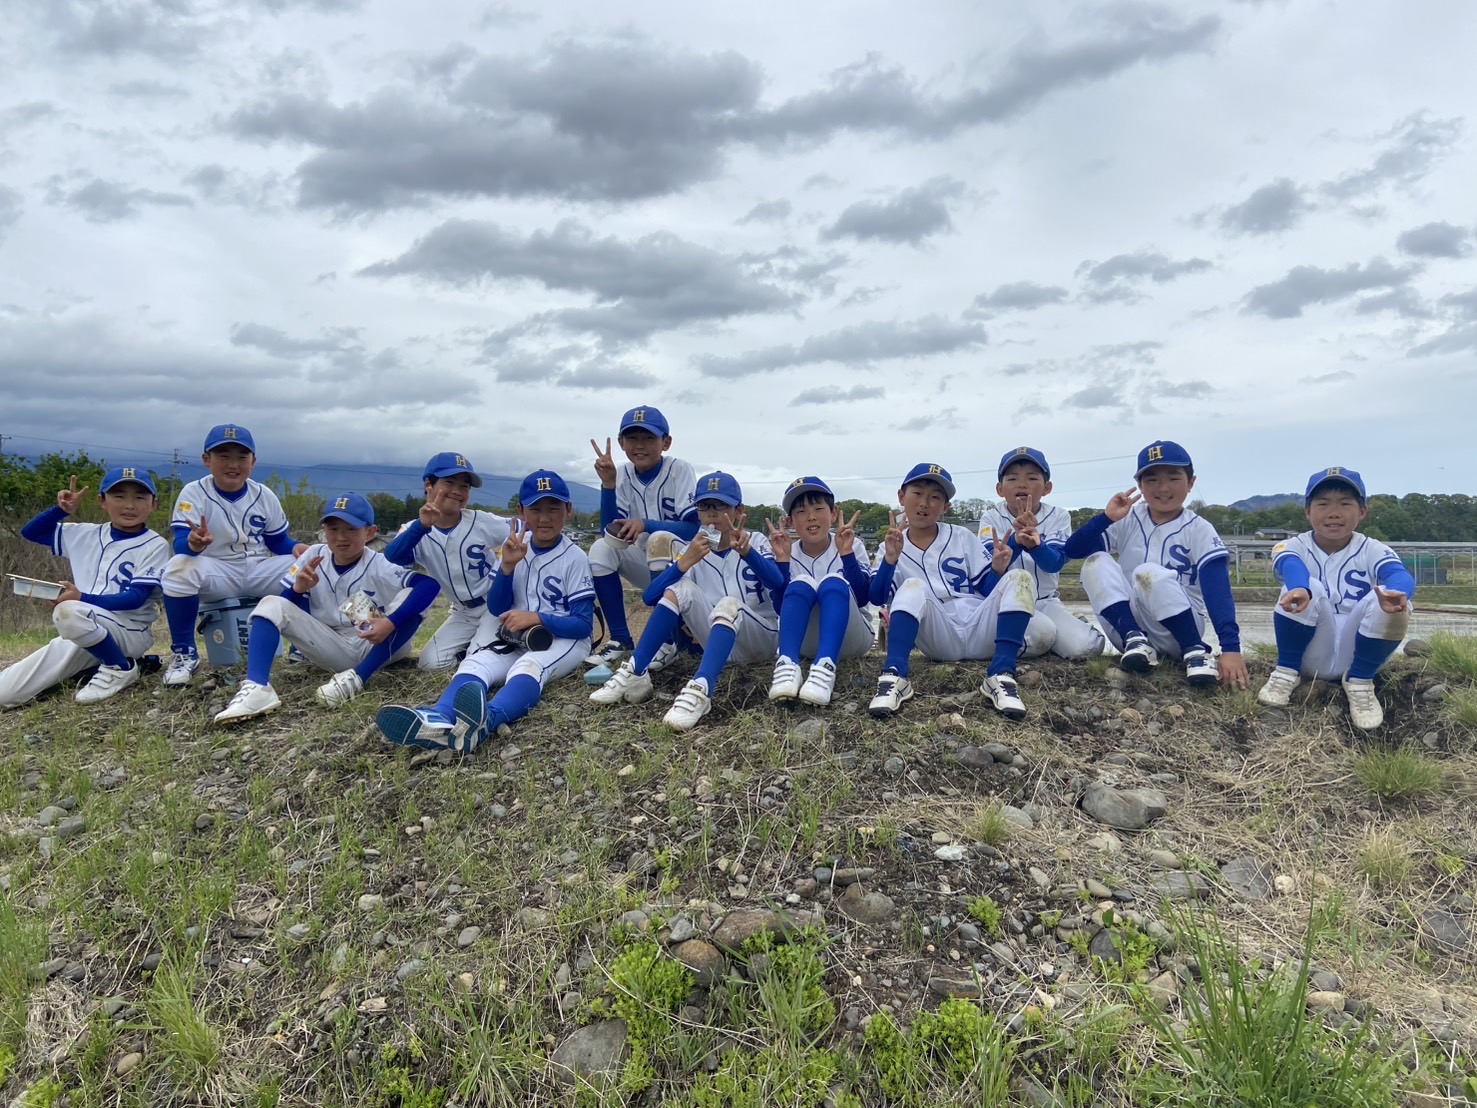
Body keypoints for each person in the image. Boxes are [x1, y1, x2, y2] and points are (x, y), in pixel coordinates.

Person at [376, 471, 594, 752]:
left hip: (565, 639)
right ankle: (438, 718)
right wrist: (507, 567)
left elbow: (583, 625)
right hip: (520, 635)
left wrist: (538, 617)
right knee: (474, 663)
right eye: (535, 509)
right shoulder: (514, 546)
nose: (544, 518)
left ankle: (487, 720)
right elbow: (498, 606)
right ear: (521, 512)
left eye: (554, 509)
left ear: (569, 510)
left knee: (528, 666)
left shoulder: (575, 557)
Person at [213, 493, 439, 723]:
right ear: (324, 530)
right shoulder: (314, 554)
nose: (341, 537)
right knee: (272, 603)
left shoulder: (379, 563)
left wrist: (390, 622)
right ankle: (257, 688)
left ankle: (358, 678)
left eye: (351, 529)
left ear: (370, 532)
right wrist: (298, 590)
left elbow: (429, 586)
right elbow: (285, 608)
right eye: (333, 529)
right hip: (333, 646)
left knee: (409, 596)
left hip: (379, 642)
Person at [591, 471, 784, 731]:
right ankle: (635, 670)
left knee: (729, 603)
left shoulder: (755, 540)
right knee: (679, 588)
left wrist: (748, 553)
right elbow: (650, 597)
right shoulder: (692, 549)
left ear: (739, 511)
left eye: (721, 505)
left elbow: (778, 582)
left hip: (761, 638)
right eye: (705, 506)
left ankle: (701, 688)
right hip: (718, 642)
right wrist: (682, 564)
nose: (712, 514)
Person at [866, 463, 1054, 721]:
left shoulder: (962, 536)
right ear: (901, 496)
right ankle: (894, 675)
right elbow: (876, 597)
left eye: (935, 497)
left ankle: (1002, 674)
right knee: (913, 585)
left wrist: (997, 570)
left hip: (978, 626)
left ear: (946, 507)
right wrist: (889, 560)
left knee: (1020, 577)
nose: (924, 503)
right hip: (938, 636)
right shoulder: (889, 545)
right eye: (917, 493)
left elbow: (986, 589)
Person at [1063, 440, 1248, 689]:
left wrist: (1231, 648)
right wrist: (1105, 519)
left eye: (1173, 477)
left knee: (1146, 573)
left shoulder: (1199, 528)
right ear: (1139, 484)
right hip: (1130, 636)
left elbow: (1218, 590)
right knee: (1095, 562)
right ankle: (1135, 638)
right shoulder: (1128, 518)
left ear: (1191, 482)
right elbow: (1073, 550)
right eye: (1152, 479)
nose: (1163, 487)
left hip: (1181, 630)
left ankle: (1195, 650)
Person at [1256, 467, 1414, 729]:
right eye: (1323, 503)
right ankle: (1287, 671)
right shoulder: (1293, 545)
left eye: (1345, 503)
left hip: (1361, 652)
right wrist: (1300, 588)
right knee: (1306, 588)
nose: (1334, 512)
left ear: (1362, 511)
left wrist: (1398, 592)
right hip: (1311, 653)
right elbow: (1290, 565)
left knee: (1393, 600)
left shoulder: (1373, 548)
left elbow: (1398, 574)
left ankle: (1360, 682)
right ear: (1307, 511)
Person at [1, 469, 170, 708]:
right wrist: (61, 510)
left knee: (69, 611)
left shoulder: (155, 544)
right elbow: (31, 532)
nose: (129, 505)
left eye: (140, 497)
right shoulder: (85, 533)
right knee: (5, 693)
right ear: (102, 501)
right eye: (119, 496)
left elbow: (136, 598)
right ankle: (94, 667)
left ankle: (120, 667)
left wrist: (80, 598)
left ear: (154, 504)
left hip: (129, 632)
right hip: (84, 631)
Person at [159, 424, 302, 686]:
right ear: (207, 460)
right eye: (223, 456)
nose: (233, 464)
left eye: (241, 457)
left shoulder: (264, 495)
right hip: (217, 571)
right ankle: (184, 654)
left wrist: (296, 548)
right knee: (178, 567)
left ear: (253, 462)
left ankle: (302, 649)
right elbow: (181, 543)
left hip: (259, 569)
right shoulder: (194, 492)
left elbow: (277, 540)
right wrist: (193, 544)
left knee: (307, 564)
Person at [585, 406, 698, 668]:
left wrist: (646, 524)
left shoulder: (680, 470)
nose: (640, 445)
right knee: (601, 549)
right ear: (621, 442)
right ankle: (621, 639)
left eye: (648, 438)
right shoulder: (622, 474)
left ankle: (666, 641)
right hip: (648, 565)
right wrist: (608, 485)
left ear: (666, 442)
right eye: (632, 438)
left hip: (686, 568)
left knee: (659, 539)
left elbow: (693, 528)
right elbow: (610, 533)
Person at [382, 452, 512, 670]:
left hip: (493, 606)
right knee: (429, 664)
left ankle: (489, 646)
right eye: (449, 482)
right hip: (461, 611)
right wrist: (421, 527)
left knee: (478, 661)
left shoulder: (480, 521)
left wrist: (501, 566)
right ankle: (476, 648)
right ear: (429, 485)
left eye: (464, 486)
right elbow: (393, 558)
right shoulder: (414, 528)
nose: (457, 491)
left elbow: (523, 531)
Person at [978, 447, 1105, 659]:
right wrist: (1016, 541)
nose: (1022, 484)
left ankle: (1072, 627)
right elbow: (992, 564)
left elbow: (1054, 563)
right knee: (1040, 637)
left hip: (1046, 601)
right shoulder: (991, 517)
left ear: (1047, 488)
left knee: (1086, 648)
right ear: (999, 489)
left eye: (1032, 477)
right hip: (1008, 603)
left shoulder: (1058, 516)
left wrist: (1036, 547)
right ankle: (1051, 637)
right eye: (1012, 478)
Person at [766, 476, 875, 706]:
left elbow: (863, 597)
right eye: (801, 511)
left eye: (818, 509)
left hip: (852, 639)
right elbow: (779, 608)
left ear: (833, 513)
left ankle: (826, 666)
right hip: (804, 643)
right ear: (790, 521)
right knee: (801, 583)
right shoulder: (784, 550)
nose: (811, 516)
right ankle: (787, 663)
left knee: (833, 582)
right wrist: (782, 562)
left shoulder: (851, 543)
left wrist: (847, 555)